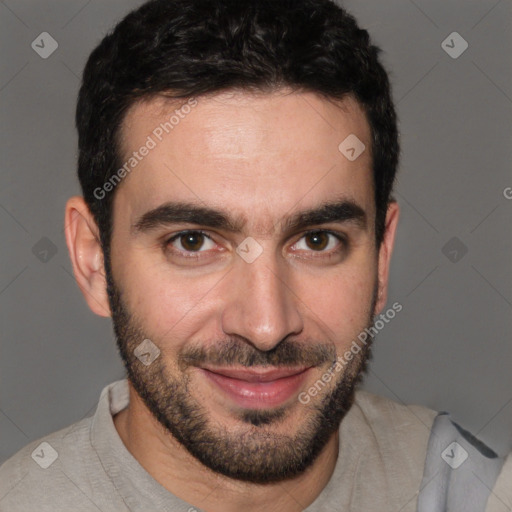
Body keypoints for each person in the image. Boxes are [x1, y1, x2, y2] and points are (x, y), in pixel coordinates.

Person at [1, 0, 510, 510]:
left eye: (317, 240)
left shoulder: (474, 492)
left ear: (380, 258)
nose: (266, 326)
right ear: (93, 261)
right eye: (193, 241)